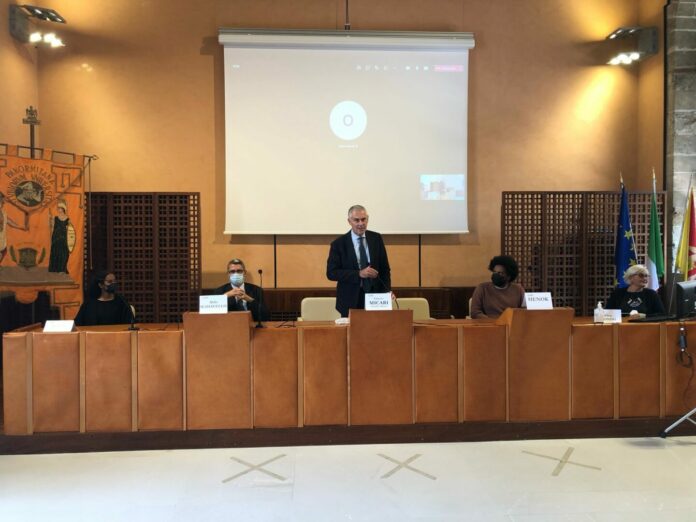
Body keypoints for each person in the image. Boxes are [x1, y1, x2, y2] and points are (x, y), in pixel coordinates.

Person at [327, 204, 391, 317]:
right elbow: (331, 273)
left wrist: (387, 292)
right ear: (349, 221)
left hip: (375, 298)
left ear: (367, 219)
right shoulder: (339, 244)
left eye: (363, 219)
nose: (361, 223)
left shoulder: (376, 238)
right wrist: (359, 273)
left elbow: (385, 269)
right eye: (356, 220)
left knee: (376, 328)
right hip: (349, 299)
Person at [0, 192, 23, 266]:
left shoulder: (3, 213)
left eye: (2, 202)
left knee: (4, 251)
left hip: (2, 241)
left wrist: (19, 226)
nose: (2, 203)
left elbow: (9, 221)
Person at [48, 199, 70, 273]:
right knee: (55, 252)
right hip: (56, 238)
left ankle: (62, 268)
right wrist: (50, 219)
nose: (58, 209)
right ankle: (55, 268)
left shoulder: (68, 219)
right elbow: (52, 227)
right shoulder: (55, 218)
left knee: (64, 253)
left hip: (63, 238)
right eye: (58, 208)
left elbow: (69, 230)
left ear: (63, 209)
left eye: (60, 208)